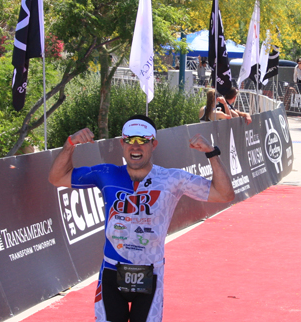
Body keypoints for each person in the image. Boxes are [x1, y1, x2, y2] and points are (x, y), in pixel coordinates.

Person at [48, 115, 235, 322]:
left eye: (143, 141)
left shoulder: (171, 179)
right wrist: (70, 144)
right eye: (130, 140)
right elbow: (57, 178)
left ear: (153, 144)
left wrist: (211, 153)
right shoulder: (106, 173)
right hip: (111, 270)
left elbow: (224, 194)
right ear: (122, 143)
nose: (135, 146)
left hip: (151, 274)